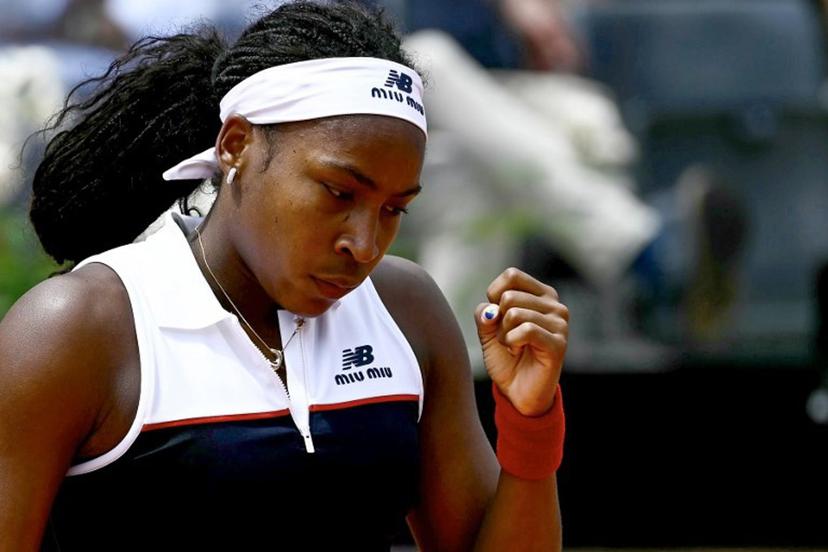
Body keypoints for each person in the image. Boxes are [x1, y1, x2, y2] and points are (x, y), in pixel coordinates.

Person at [0, 2, 569, 550]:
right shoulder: (76, 329)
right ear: (236, 145)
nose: (364, 244)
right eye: (339, 192)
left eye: (394, 209)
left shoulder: (406, 310)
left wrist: (530, 425)